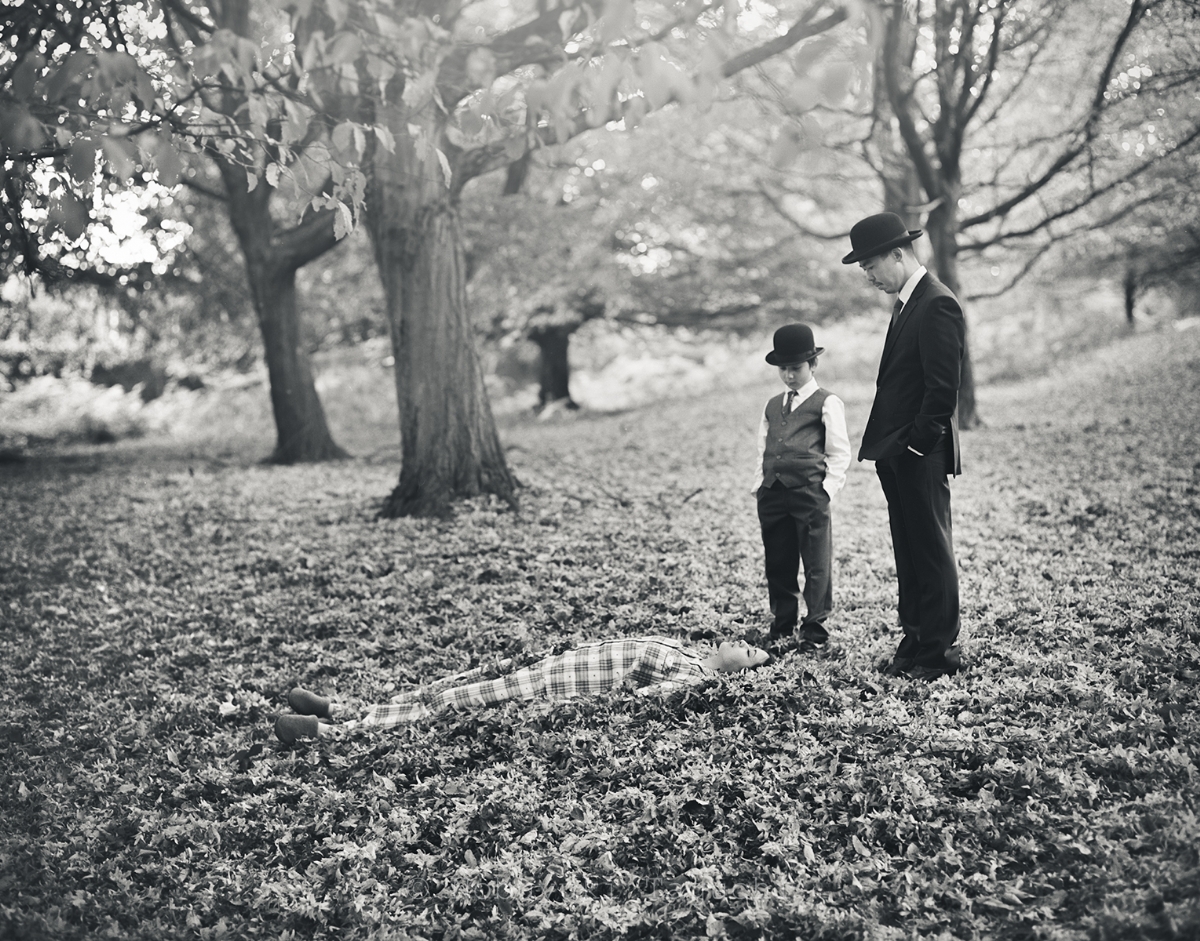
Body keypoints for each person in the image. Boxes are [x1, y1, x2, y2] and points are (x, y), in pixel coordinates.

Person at [842, 212, 964, 681]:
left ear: (898, 253)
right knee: (908, 550)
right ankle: (914, 639)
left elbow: (941, 390)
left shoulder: (937, 303)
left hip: (920, 453)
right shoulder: (905, 303)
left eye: (871, 265)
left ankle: (938, 653)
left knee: (931, 550)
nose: (868, 275)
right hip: (895, 453)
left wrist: (915, 449)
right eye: (862, 269)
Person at [274, 636, 770, 743]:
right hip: (553, 662)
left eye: (748, 653)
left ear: (733, 674)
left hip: (557, 685)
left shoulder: (693, 678)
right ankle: (345, 707)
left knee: (449, 703)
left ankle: (327, 732)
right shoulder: (686, 650)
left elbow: (636, 701)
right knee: (450, 684)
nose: (742, 643)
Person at [751, 323, 851, 655]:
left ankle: (815, 630)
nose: (790, 376)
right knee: (778, 563)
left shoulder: (826, 402)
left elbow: (839, 452)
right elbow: (763, 447)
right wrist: (759, 486)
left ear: (812, 365)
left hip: (809, 494)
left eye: (796, 368)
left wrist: (826, 490)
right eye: (784, 369)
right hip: (773, 493)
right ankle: (782, 625)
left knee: (816, 564)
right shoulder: (771, 405)